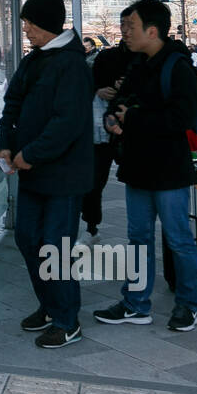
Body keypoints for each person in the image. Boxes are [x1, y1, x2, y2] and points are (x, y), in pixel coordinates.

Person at [95, 0, 197, 332]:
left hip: (169, 168)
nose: (124, 32)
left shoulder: (178, 66)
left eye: (130, 26)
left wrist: (135, 117)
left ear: (152, 30)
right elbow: (120, 104)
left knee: (179, 239)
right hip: (138, 165)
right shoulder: (137, 65)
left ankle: (189, 305)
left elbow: (181, 117)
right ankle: (135, 303)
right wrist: (113, 119)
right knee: (138, 238)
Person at [0, 0, 93, 349]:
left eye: (30, 24)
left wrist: (30, 154)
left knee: (56, 246)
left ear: (48, 25)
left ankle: (68, 320)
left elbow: (66, 123)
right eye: (24, 23)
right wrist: (5, 142)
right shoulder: (34, 59)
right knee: (27, 238)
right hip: (32, 171)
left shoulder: (72, 64)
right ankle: (50, 306)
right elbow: (12, 103)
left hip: (63, 176)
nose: (26, 30)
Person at [81, 13, 141, 241]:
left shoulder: (148, 58)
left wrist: (128, 87)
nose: (125, 31)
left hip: (135, 130)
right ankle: (91, 224)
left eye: (130, 26)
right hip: (103, 130)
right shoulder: (106, 57)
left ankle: (137, 233)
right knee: (95, 180)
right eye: (123, 25)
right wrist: (99, 89)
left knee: (137, 182)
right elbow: (90, 83)